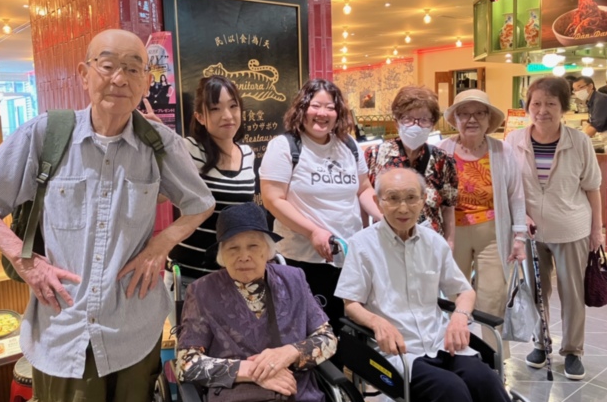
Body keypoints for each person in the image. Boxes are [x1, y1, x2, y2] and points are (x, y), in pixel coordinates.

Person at [0, 29, 215, 402]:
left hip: (133, 323)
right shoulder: (45, 135)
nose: (120, 78)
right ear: (84, 73)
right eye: (108, 65)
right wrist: (25, 261)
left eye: (133, 69)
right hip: (65, 326)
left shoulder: (160, 144)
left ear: (146, 80)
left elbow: (200, 203)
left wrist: (159, 245)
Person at [335, 167, 521, 402]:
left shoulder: (434, 242)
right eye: (393, 198)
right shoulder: (362, 245)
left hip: (442, 342)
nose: (403, 207)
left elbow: (465, 291)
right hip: (399, 353)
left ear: (424, 200)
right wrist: (377, 322)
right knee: (452, 389)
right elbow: (350, 303)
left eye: (411, 198)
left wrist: (459, 317)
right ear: (378, 202)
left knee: (487, 381)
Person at [177, 202, 336, 402]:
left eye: (253, 245)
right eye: (233, 248)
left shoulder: (294, 279)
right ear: (222, 254)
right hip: (237, 401)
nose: (244, 256)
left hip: (295, 394)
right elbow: (186, 363)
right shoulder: (202, 291)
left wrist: (290, 353)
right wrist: (251, 371)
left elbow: (328, 339)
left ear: (268, 250)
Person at [260, 79, 382, 335]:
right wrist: (313, 231)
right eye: (315, 106)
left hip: (348, 257)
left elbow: (363, 189)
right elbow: (273, 199)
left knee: (348, 329)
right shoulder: (284, 146)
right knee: (310, 333)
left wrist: (384, 216)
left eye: (330, 107)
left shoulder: (348, 145)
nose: (322, 113)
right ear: (302, 108)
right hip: (302, 260)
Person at [506, 77, 602, 380]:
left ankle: (573, 350)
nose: (542, 110)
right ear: (527, 106)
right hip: (531, 232)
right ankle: (540, 343)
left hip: (571, 228)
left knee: (572, 292)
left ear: (563, 107)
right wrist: (522, 216)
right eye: (536, 103)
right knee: (537, 291)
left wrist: (597, 231)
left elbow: (592, 188)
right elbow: (510, 187)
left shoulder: (579, 141)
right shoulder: (513, 141)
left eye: (550, 103)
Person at [438, 89, 527, 356]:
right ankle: (453, 353)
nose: (472, 119)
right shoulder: (443, 149)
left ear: (489, 119)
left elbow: (516, 195)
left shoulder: (502, 150)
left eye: (479, 113)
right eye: (464, 114)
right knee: (452, 296)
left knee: (493, 297)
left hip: (492, 234)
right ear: (455, 119)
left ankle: (494, 360)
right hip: (453, 234)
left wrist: (519, 237)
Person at [169, 75, 256, 280]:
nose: (227, 115)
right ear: (200, 117)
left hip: (231, 273)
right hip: (190, 272)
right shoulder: (189, 149)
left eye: (233, 106)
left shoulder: (247, 154)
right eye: (215, 108)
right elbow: (160, 195)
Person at [365, 85, 458, 248]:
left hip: (429, 245)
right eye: (407, 119)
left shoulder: (442, 160)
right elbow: (365, 196)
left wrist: (449, 243)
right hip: (385, 243)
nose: (416, 125)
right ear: (396, 122)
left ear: (432, 124)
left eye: (424, 119)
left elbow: (448, 208)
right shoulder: (375, 155)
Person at [572, 76, 607, 144]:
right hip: (605, 134)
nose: (577, 92)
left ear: (590, 86)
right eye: (575, 90)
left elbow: (595, 126)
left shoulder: (600, 100)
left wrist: (579, 141)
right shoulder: (591, 100)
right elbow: (591, 122)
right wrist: (582, 134)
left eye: (580, 87)